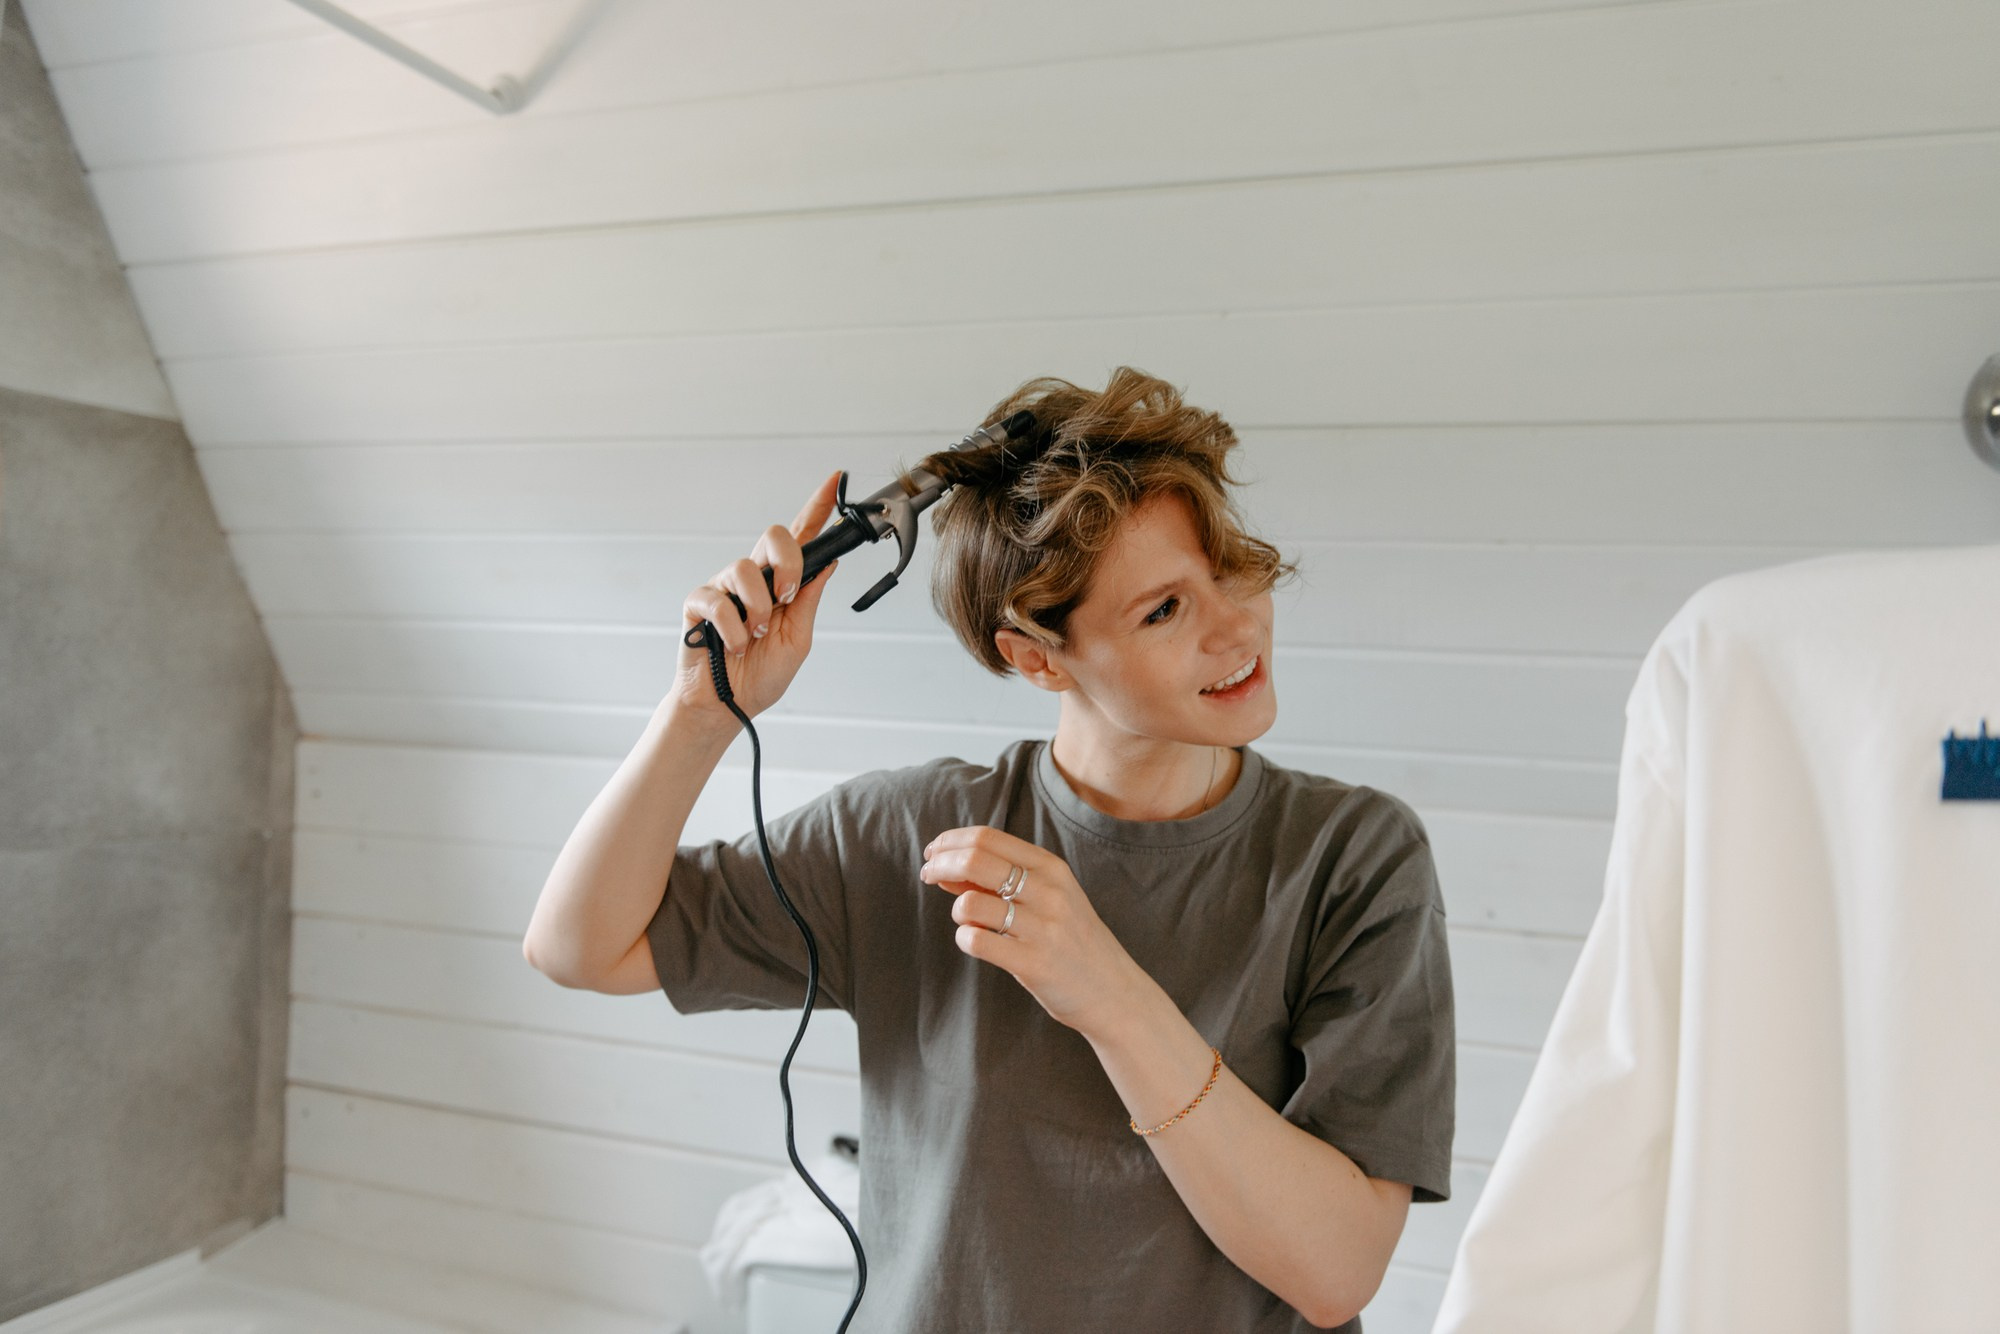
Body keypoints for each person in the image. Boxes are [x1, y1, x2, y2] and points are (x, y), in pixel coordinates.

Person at [522, 368, 1456, 1333]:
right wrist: (698, 716)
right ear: (1038, 657)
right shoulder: (913, 838)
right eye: (1164, 610)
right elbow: (579, 947)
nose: (1237, 627)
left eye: (1231, 568)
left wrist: (1111, 997)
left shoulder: (1354, 858)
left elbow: (1338, 1271)